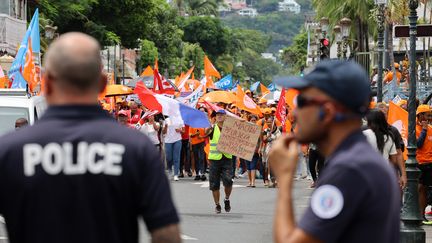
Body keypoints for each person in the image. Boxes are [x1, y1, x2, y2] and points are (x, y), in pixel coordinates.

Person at [0, 32, 180, 243]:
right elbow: (166, 234)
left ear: (46, 83)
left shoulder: (10, 152)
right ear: (103, 84)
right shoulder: (136, 149)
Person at [270, 60, 400, 243]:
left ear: (328, 111)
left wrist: (283, 178)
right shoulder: (358, 159)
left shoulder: (349, 169)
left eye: (302, 101)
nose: (295, 113)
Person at [205, 110, 233, 214]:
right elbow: (206, 133)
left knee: (228, 181)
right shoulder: (212, 128)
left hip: (227, 158)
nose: (219, 116)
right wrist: (209, 127)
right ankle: (217, 205)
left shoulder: (230, 128)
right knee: (214, 184)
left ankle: (226, 199)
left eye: (222, 115)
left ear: (226, 117)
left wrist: (242, 124)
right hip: (214, 159)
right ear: (215, 117)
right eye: (217, 115)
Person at [416, 104, 432, 224]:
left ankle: (422, 214)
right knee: (420, 188)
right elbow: (418, 144)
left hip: (430, 163)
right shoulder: (414, 128)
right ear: (420, 115)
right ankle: (419, 214)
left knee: (425, 189)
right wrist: (424, 129)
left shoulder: (431, 128)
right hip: (419, 163)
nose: (429, 117)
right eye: (427, 115)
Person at [163, 117, 184, 181]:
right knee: (169, 157)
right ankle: (169, 170)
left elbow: (184, 131)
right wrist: (166, 126)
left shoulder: (180, 120)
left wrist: (179, 130)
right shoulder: (166, 120)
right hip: (168, 141)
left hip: (177, 140)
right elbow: (163, 132)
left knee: (176, 158)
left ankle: (176, 174)